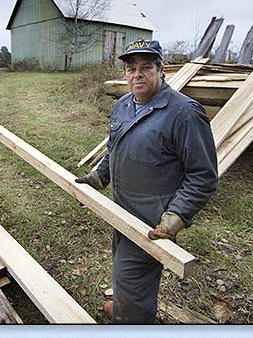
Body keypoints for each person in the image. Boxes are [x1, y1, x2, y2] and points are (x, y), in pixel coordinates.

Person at [75, 38, 218, 323]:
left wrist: (174, 219)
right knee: (123, 270)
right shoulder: (124, 105)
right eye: (131, 68)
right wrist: (99, 176)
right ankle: (125, 305)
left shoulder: (184, 113)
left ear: (161, 70)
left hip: (150, 221)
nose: (137, 74)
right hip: (121, 210)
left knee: (132, 276)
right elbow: (114, 147)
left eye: (146, 67)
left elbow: (203, 175)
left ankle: (131, 320)